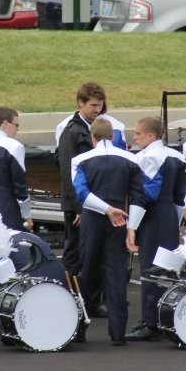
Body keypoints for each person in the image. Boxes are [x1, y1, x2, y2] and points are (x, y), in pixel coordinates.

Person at [72, 118, 145, 345]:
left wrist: (106, 209)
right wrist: (131, 228)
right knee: (116, 273)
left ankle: (79, 329)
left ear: (92, 137)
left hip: (93, 218)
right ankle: (118, 333)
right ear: (113, 136)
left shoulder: (80, 160)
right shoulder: (131, 159)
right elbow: (138, 197)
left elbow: (82, 194)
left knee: (87, 272)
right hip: (120, 219)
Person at [125, 116, 186, 342]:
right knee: (167, 267)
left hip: (152, 216)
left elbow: (146, 195)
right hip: (169, 214)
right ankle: (165, 317)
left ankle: (150, 322)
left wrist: (132, 226)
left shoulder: (147, 157)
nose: (135, 138)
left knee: (150, 269)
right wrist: (176, 223)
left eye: (138, 134)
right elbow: (180, 196)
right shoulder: (177, 156)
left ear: (151, 136)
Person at [57, 82, 107, 308]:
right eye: (93, 105)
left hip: (92, 202)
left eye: (100, 105)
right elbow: (68, 172)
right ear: (80, 103)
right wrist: (79, 207)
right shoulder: (72, 132)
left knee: (93, 253)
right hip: (79, 205)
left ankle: (90, 300)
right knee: (74, 254)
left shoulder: (90, 128)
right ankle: (68, 300)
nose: (98, 109)